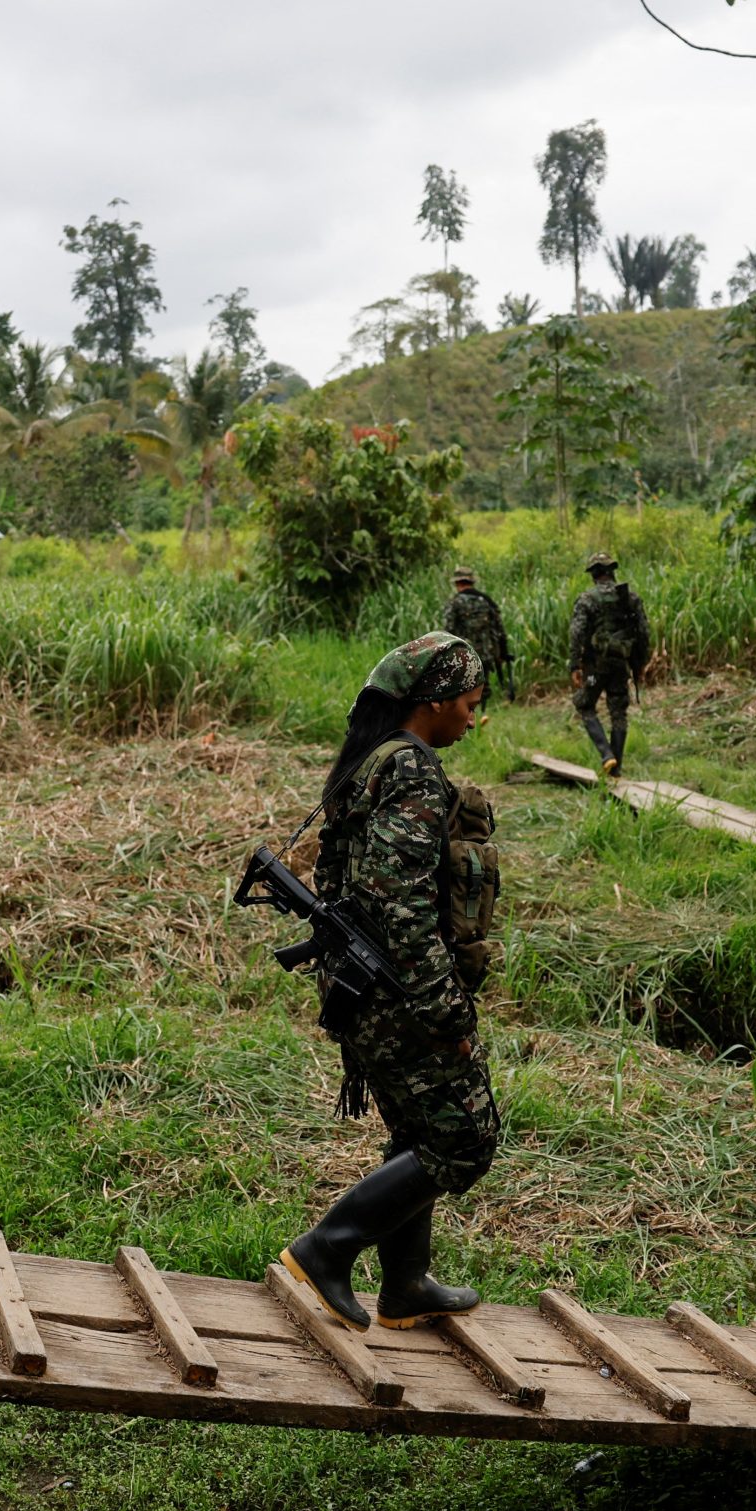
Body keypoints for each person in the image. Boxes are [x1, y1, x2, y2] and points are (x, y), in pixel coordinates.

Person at [282, 631, 503, 1332]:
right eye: (469, 703)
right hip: (397, 988)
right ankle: (326, 1249)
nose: (475, 715)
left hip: (368, 982)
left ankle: (405, 1283)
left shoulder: (377, 759)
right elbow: (398, 902)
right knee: (463, 1136)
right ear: (433, 701)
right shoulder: (409, 769)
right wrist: (446, 1009)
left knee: (417, 1128)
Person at [567, 551, 650, 776]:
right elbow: (643, 633)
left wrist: (574, 665)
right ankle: (616, 769)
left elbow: (576, 633)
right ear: (612, 572)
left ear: (593, 574)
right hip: (621, 664)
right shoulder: (630, 598)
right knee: (618, 713)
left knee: (584, 705)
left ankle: (606, 754)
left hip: (596, 664)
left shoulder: (587, 599)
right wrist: (640, 664)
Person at [441, 568, 512, 702]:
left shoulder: (454, 603)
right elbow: (499, 629)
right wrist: (503, 652)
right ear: (471, 582)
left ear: (458, 584)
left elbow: (448, 630)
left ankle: (473, 707)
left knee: (466, 684)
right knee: (482, 683)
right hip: (487, 651)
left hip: (464, 652)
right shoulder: (486, 601)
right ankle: (484, 704)